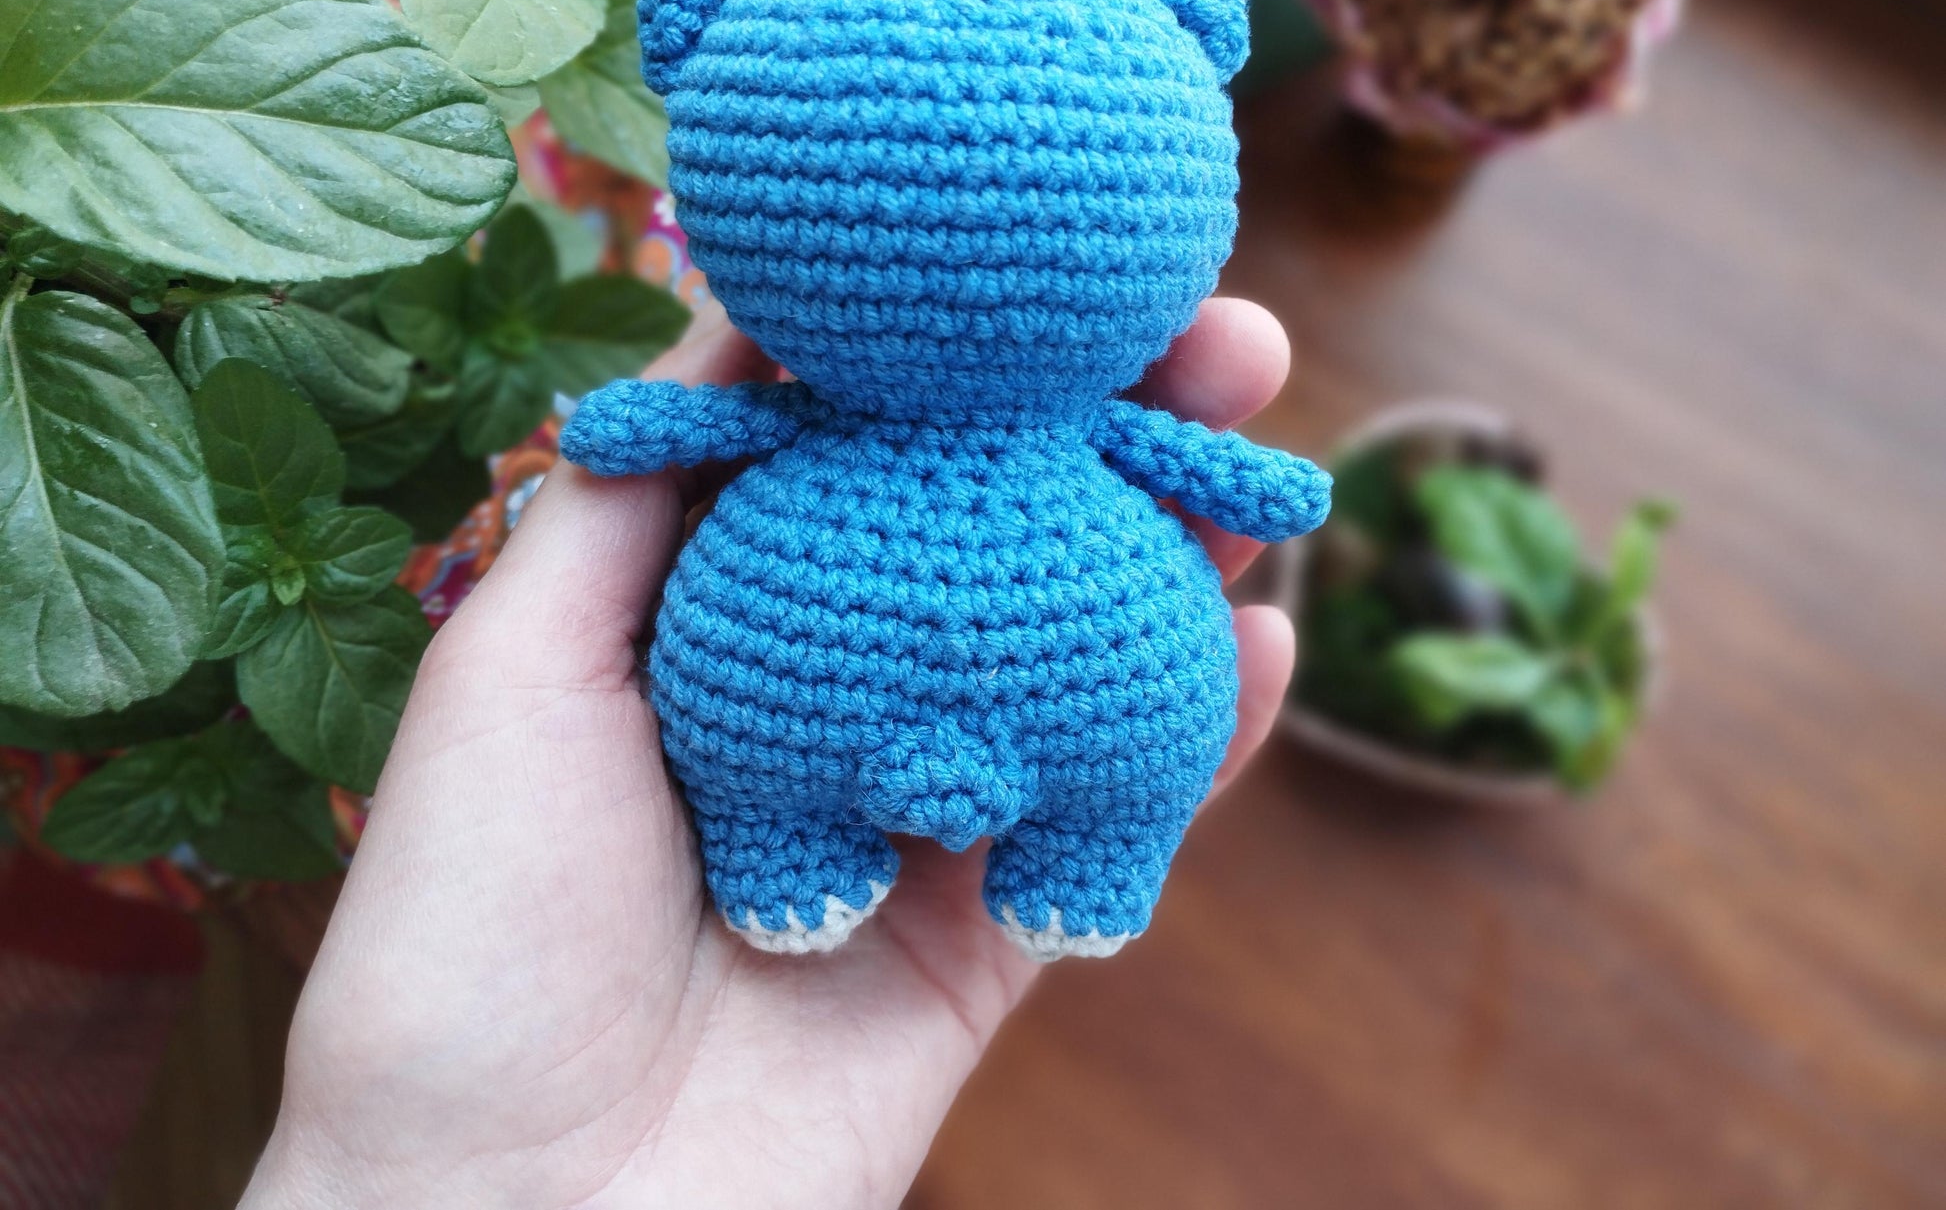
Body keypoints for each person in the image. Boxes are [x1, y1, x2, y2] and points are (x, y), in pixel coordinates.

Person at [241, 294, 1300, 1209]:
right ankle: (813, 845)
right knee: (1109, 734)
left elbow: (631, 430)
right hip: (1052, 667)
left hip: (826, 662)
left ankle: (1080, 848)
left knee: (1113, 755)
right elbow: (1272, 491)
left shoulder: (835, 421)